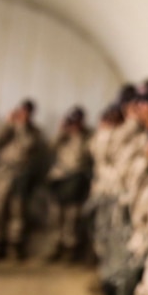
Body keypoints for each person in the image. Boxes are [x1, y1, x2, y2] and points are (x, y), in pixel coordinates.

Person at [0, 99, 46, 260]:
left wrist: (21, 126)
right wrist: (8, 124)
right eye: (22, 111)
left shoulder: (34, 131)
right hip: (2, 174)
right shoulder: (7, 127)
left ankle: (15, 245)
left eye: (27, 112)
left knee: (18, 211)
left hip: (21, 174)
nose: (23, 115)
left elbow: (28, 145)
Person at [45, 106, 93, 263]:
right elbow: (50, 147)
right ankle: (55, 246)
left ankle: (70, 248)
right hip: (60, 180)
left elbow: (84, 155)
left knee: (72, 217)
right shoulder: (63, 136)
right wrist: (62, 132)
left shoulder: (87, 136)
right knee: (55, 216)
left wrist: (77, 135)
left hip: (76, 181)